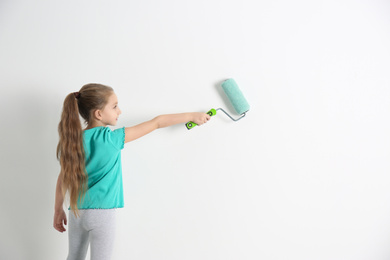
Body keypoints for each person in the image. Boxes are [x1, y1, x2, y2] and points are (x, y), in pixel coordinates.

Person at [53, 83, 211, 260]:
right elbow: (156, 123)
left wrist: (57, 209)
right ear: (98, 113)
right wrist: (192, 116)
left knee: (73, 257)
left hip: (77, 213)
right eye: (114, 107)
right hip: (102, 214)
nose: (119, 111)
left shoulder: (73, 141)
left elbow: (63, 178)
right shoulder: (111, 138)